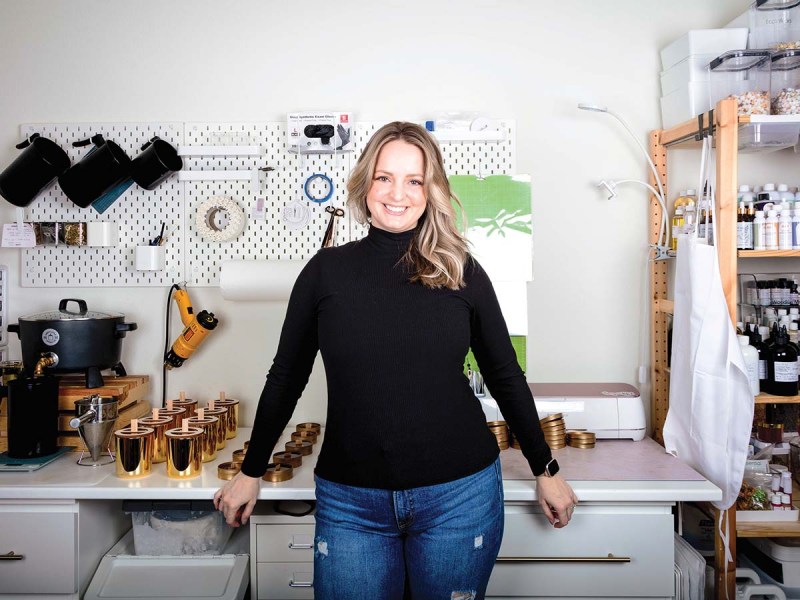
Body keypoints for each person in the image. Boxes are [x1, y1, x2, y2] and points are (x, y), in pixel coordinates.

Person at [214, 121, 578, 599]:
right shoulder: (325, 272)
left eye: (414, 181)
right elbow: (287, 376)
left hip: (459, 496)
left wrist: (545, 470)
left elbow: (505, 375)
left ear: (431, 192)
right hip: (351, 503)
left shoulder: (461, 271)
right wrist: (251, 471)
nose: (397, 194)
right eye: (385, 177)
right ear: (366, 184)